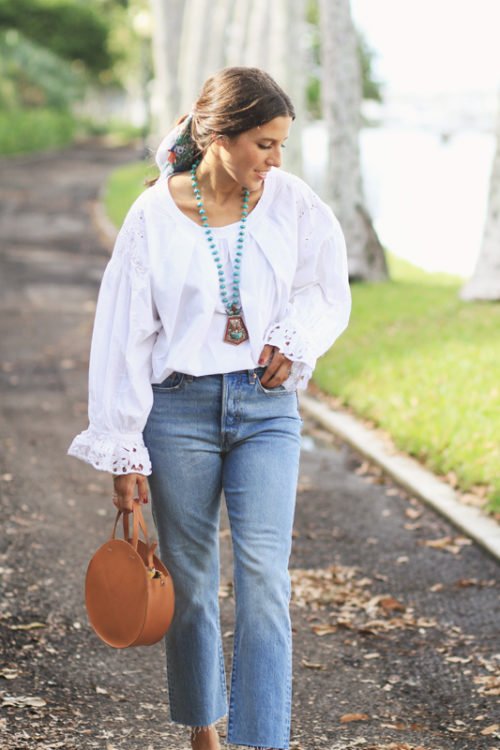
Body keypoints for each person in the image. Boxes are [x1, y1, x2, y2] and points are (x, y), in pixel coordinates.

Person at [68, 66, 351, 750]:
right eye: (264, 143)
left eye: (281, 144)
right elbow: (123, 339)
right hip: (178, 413)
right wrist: (123, 446)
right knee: (192, 583)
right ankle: (205, 730)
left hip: (266, 411)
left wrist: (295, 336)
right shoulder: (151, 218)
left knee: (264, 579)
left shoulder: (292, 204)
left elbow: (326, 287)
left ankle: (265, 741)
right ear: (216, 136)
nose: (276, 160)